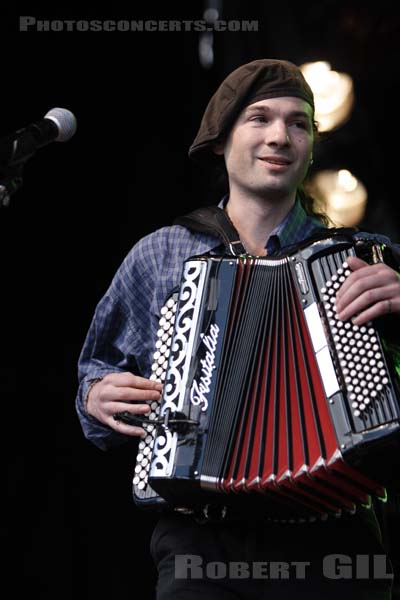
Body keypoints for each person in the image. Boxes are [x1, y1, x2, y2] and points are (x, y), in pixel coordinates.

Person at [76, 59, 400, 599]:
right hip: (201, 541)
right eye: (259, 118)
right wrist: (97, 398)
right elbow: (97, 374)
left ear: (312, 146)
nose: (280, 135)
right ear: (221, 141)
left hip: (335, 540)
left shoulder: (363, 257)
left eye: (299, 123)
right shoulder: (161, 254)